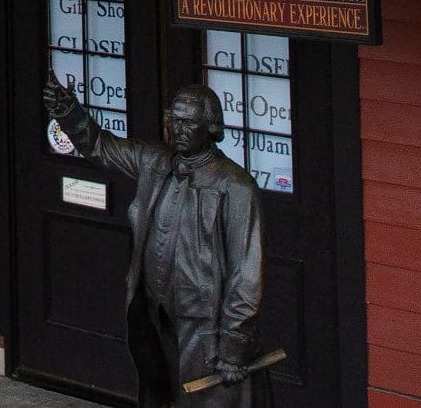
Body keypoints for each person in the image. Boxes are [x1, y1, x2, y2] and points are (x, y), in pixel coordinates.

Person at [45, 74, 269, 405]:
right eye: (173, 120)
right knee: (161, 394)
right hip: (154, 314)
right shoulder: (154, 163)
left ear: (211, 127)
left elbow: (246, 274)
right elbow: (101, 147)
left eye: (187, 123)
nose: (176, 130)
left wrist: (234, 345)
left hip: (204, 325)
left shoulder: (235, 187)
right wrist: (68, 113)